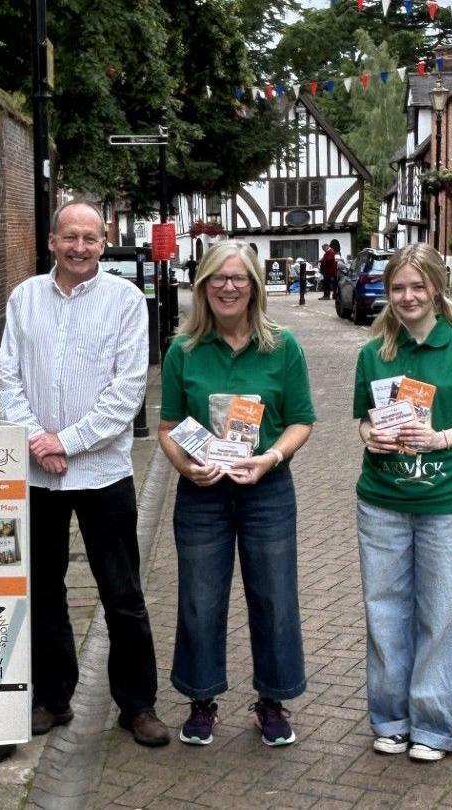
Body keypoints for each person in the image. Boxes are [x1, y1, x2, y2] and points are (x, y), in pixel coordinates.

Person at [0, 199, 170, 747]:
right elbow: (7, 381)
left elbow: (127, 391)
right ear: (52, 241)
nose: (79, 247)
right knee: (43, 588)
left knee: (122, 592)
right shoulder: (24, 299)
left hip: (103, 473)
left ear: (104, 241)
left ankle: (138, 705)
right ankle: (52, 697)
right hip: (36, 475)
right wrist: (36, 442)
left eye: (90, 238)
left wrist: (64, 441)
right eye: (69, 237)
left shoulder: (125, 301)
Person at [156, 240, 315, 747]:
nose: (229, 287)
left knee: (274, 597)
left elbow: (300, 422)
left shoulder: (282, 346)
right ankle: (202, 699)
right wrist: (187, 466)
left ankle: (273, 700)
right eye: (218, 279)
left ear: (254, 285)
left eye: (239, 278)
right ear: (203, 286)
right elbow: (167, 427)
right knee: (200, 599)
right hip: (202, 494)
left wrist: (269, 458)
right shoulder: (183, 350)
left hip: (266, 490)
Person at [350, 242, 452, 762]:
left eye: (418, 287)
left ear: (436, 288)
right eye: (398, 288)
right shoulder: (374, 354)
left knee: (441, 613)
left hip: (449, 503)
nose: (408, 296)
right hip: (382, 500)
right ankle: (390, 719)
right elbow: (365, 419)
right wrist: (370, 434)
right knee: (385, 612)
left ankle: (434, 727)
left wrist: (440, 439)